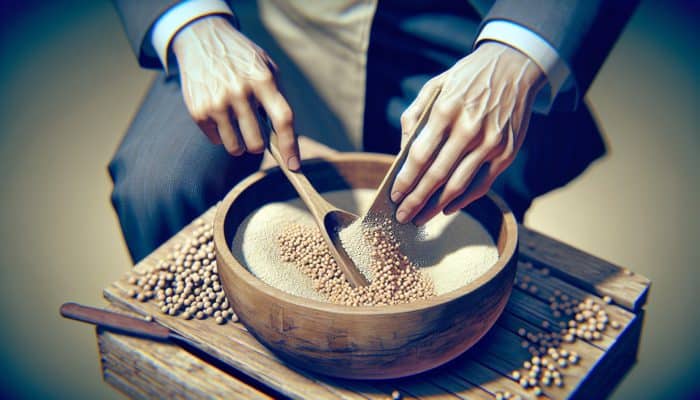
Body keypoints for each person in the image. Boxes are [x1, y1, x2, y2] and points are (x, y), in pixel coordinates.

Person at [110, 0, 637, 262]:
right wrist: (190, 22)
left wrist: (519, 52)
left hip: (456, 27)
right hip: (252, 24)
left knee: (471, 198)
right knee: (159, 180)